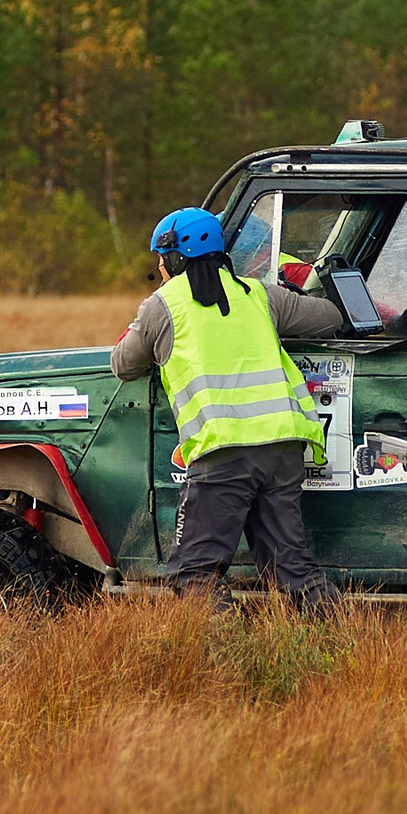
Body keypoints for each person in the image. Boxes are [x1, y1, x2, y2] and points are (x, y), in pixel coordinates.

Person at [110, 205, 347, 614]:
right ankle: (342, 642)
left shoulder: (162, 305)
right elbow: (331, 317)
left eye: (161, 260)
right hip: (282, 448)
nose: (160, 268)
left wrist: (143, 325)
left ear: (175, 257)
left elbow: (123, 364)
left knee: (195, 571)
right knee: (290, 566)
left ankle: (225, 653)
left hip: (223, 453)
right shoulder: (258, 295)